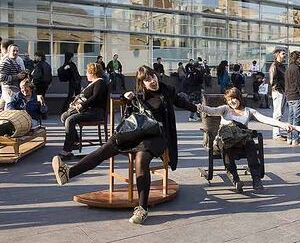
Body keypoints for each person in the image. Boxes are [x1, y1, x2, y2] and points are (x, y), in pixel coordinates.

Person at [52, 65, 197, 224]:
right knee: (105, 149)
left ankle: (142, 208)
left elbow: (182, 102)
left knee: (141, 160)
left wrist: (200, 108)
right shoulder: (138, 95)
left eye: (153, 77)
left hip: (157, 136)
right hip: (136, 133)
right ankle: (68, 173)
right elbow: (124, 102)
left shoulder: (167, 90)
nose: (152, 81)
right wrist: (125, 95)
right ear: (142, 83)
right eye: (147, 80)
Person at [197, 87, 292, 192]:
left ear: (239, 98)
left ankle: (256, 179)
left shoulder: (248, 111)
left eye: (233, 98)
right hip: (225, 140)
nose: (231, 102)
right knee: (225, 145)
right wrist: (202, 108)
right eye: (229, 100)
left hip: (241, 141)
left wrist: (283, 125)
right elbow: (213, 111)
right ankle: (235, 179)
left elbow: (265, 119)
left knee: (250, 142)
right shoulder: (225, 109)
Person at [58, 63, 107, 159]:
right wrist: (74, 103)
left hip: (94, 112)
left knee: (70, 120)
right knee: (64, 116)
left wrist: (81, 105)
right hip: (88, 110)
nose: (86, 74)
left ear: (93, 73)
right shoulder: (93, 83)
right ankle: (75, 141)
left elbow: (95, 97)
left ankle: (67, 150)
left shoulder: (99, 83)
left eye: (88, 72)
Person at [284, 51, 300, 147]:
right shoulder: (296, 68)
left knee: (291, 118)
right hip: (297, 96)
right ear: (297, 58)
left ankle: (289, 138)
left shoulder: (288, 68)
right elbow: (299, 82)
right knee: (297, 119)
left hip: (290, 96)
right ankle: (296, 140)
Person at [269, 48, 287, 142]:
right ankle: (276, 134)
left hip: (282, 91)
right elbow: (273, 80)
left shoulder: (282, 66)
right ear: (277, 55)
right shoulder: (275, 65)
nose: (285, 55)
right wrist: (279, 89)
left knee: (280, 113)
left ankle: (278, 133)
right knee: (277, 113)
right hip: (278, 91)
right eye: (283, 53)